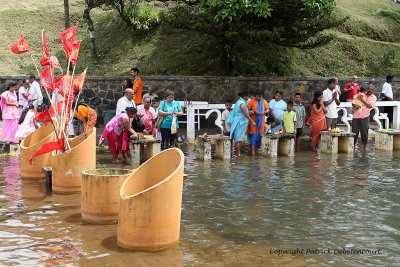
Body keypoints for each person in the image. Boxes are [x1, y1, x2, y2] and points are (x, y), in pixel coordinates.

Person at [227, 90, 256, 158]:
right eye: (248, 97)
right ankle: (238, 154)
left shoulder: (239, 101)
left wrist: (251, 112)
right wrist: (252, 121)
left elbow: (245, 112)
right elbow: (246, 114)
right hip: (239, 122)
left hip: (237, 121)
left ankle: (232, 153)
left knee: (234, 138)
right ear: (245, 97)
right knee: (238, 139)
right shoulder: (242, 103)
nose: (248, 98)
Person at [352, 84, 377, 150]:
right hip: (356, 116)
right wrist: (354, 106)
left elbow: (369, 106)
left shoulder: (373, 97)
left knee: (364, 132)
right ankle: (353, 146)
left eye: (371, 89)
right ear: (367, 89)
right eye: (369, 89)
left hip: (365, 117)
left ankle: (364, 147)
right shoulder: (362, 94)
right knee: (354, 132)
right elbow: (354, 100)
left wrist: (362, 100)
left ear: (373, 90)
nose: (370, 90)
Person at [247, 90, 269, 156]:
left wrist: (264, 112)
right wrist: (253, 111)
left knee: (259, 137)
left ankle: (256, 152)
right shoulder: (251, 102)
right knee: (253, 137)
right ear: (255, 96)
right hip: (253, 122)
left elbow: (267, 110)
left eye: (260, 96)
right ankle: (253, 152)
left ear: (262, 96)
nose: (258, 97)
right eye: (257, 96)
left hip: (261, 122)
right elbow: (247, 111)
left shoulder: (264, 101)